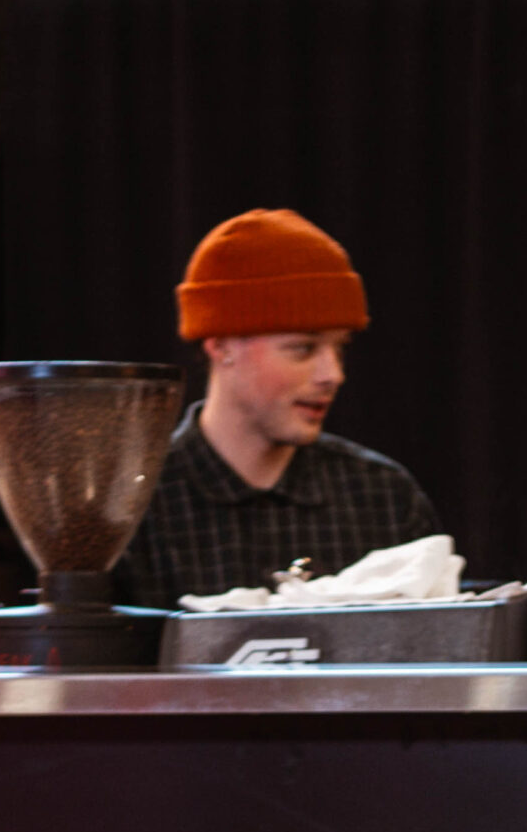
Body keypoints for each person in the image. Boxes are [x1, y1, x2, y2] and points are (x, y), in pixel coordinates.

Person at [119, 209, 440, 609]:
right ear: (221, 345)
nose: (333, 374)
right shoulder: (131, 505)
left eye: (339, 347)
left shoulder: (383, 497)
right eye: (303, 348)